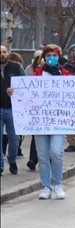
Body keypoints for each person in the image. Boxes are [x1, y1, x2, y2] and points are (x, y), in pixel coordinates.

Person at [30, 45, 70, 199]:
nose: (51, 58)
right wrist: (14, 92)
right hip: (40, 121)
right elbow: (25, 91)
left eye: (54, 55)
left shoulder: (65, 75)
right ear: (44, 58)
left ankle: (58, 185)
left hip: (58, 121)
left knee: (56, 152)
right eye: (48, 55)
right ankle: (46, 187)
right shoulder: (37, 75)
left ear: (58, 57)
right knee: (42, 156)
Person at [1, 45, 25, 176]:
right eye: (0, 52)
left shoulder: (16, 67)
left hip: (13, 108)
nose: (2, 54)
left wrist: (15, 91)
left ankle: (12, 159)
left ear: (8, 53)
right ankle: (0, 165)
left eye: (4, 52)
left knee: (14, 139)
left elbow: (25, 86)